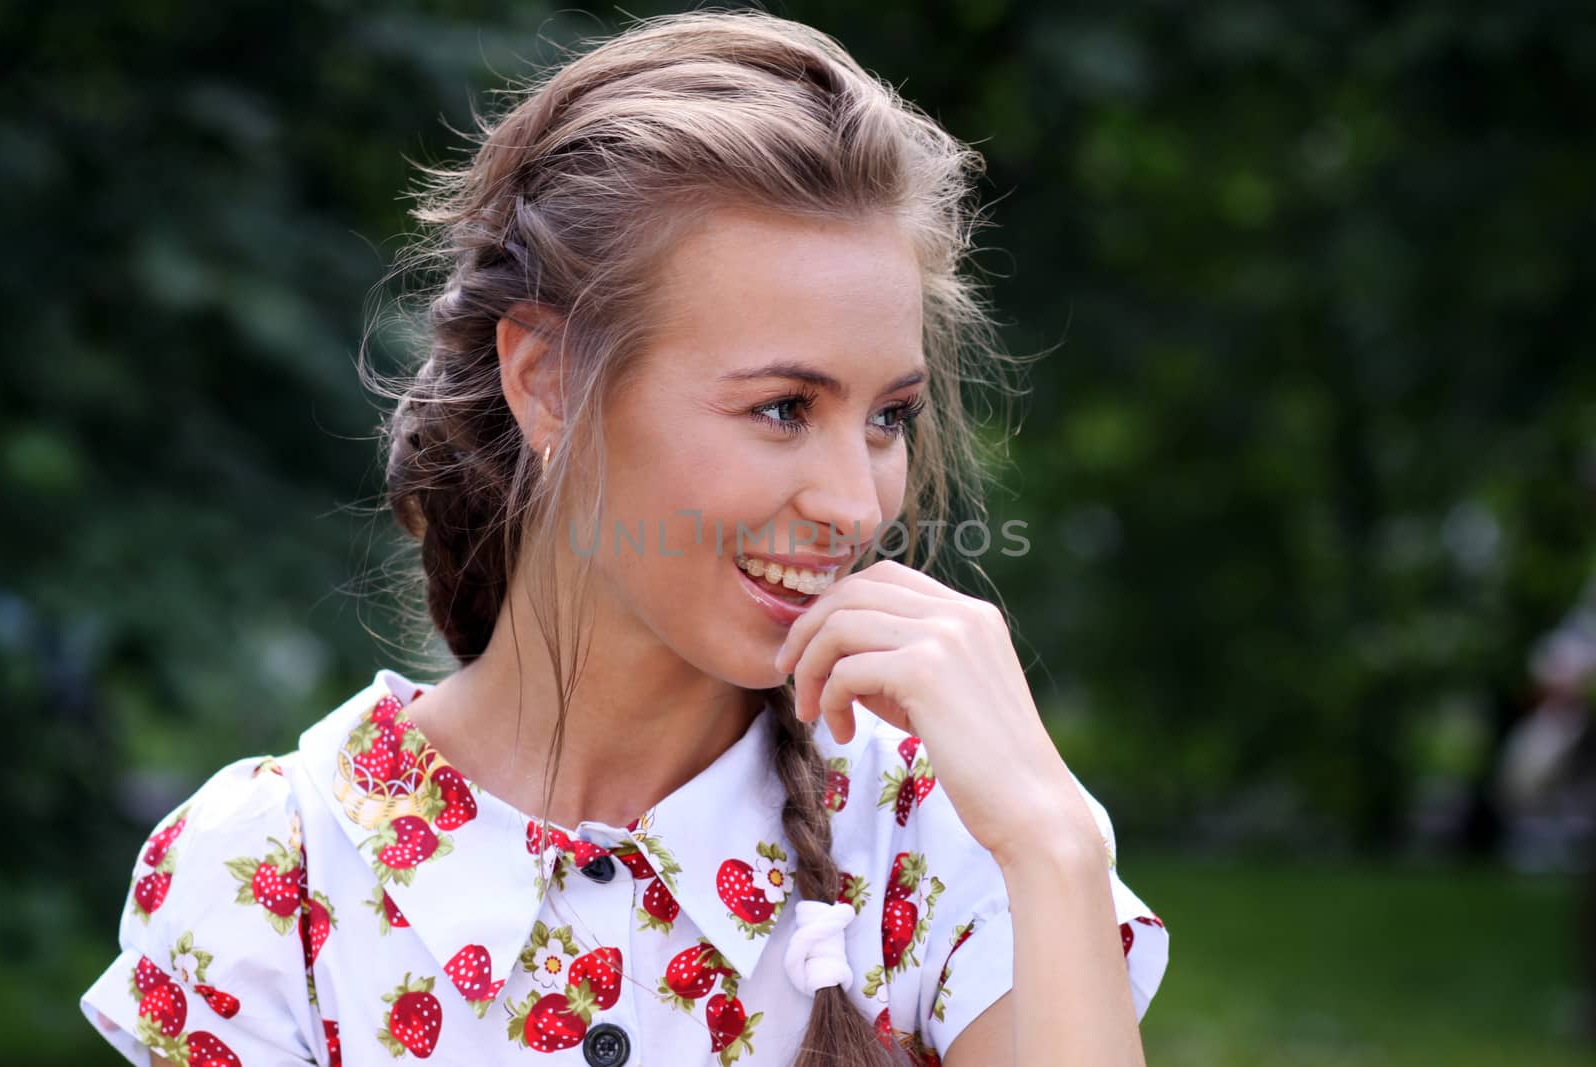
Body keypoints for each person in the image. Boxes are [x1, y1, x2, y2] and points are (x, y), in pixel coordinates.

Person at [79, 10, 1169, 1066]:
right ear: (546, 381)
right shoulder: (269, 876)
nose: (855, 502)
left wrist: (1053, 839)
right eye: (784, 406)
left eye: (887, 416)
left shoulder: (949, 837)